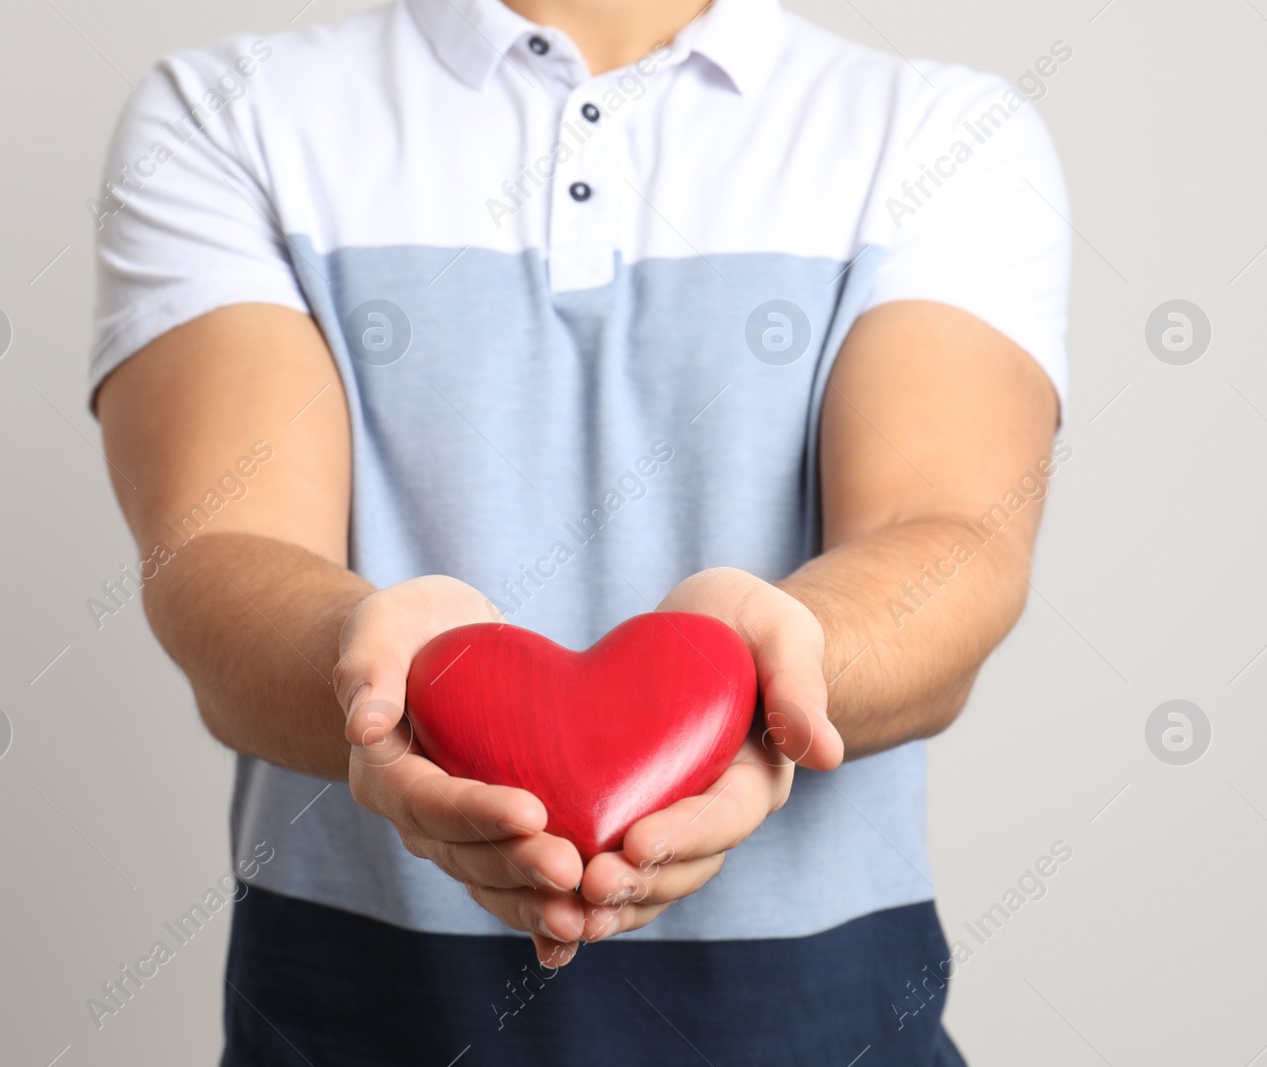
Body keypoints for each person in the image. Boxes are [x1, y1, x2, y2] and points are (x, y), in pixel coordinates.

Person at [90, 0, 1070, 1061]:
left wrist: (762, 669)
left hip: (827, 1025)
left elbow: (948, 537)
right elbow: (221, 555)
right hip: (351, 1023)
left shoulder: (935, 133)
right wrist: (382, 682)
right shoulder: (227, 116)